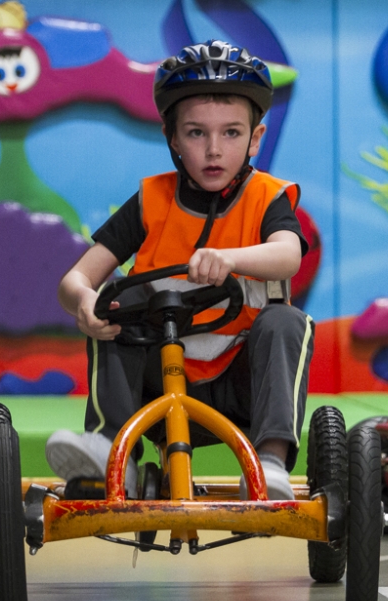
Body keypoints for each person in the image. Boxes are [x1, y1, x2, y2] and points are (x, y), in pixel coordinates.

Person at [45, 40, 312, 501]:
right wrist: (84, 303)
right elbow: (75, 280)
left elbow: (288, 255)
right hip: (157, 385)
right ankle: (112, 451)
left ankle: (269, 464)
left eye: (231, 133)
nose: (214, 149)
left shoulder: (268, 197)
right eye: (196, 133)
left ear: (255, 139)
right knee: (115, 297)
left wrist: (231, 259)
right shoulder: (151, 200)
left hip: (240, 387)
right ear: (173, 138)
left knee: (286, 320)